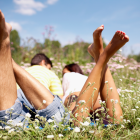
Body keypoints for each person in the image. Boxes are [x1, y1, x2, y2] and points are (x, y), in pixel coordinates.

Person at [0, 10, 129, 127]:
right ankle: (101, 56)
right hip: (28, 97)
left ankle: (101, 56)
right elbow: (59, 97)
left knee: (88, 117)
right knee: (113, 119)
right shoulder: (50, 74)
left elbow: (64, 100)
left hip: (13, 95)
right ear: (45, 63)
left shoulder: (63, 76)